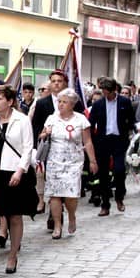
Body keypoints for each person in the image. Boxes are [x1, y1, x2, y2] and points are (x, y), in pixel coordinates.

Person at [0, 85, 36, 274]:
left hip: (14, 172)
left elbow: (28, 148)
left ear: (10, 101)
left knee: (14, 215)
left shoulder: (22, 120)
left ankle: (13, 255)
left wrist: (20, 171)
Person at [40, 89, 98, 238]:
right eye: (59, 101)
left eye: (64, 102)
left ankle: (72, 215)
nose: (61, 104)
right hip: (54, 161)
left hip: (74, 162)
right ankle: (57, 225)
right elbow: (41, 136)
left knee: (71, 194)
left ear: (72, 104)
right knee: (54, 195)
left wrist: (92, 160)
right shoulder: (51, 118)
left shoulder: (81, 119)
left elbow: (87, 141)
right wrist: (45, 133)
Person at [89, 77, 135, 216]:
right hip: (103, 141)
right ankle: (105, 204)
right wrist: (92, 140)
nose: (105, 95)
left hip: (119, 140)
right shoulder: (98, 104)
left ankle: (119, 197)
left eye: (108, 92)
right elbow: (91, 123)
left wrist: (134, 130)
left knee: (119, 170)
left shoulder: (124, 102)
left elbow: (131, 120)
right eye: (103, 92)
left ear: (114, 90)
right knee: (103, 173)